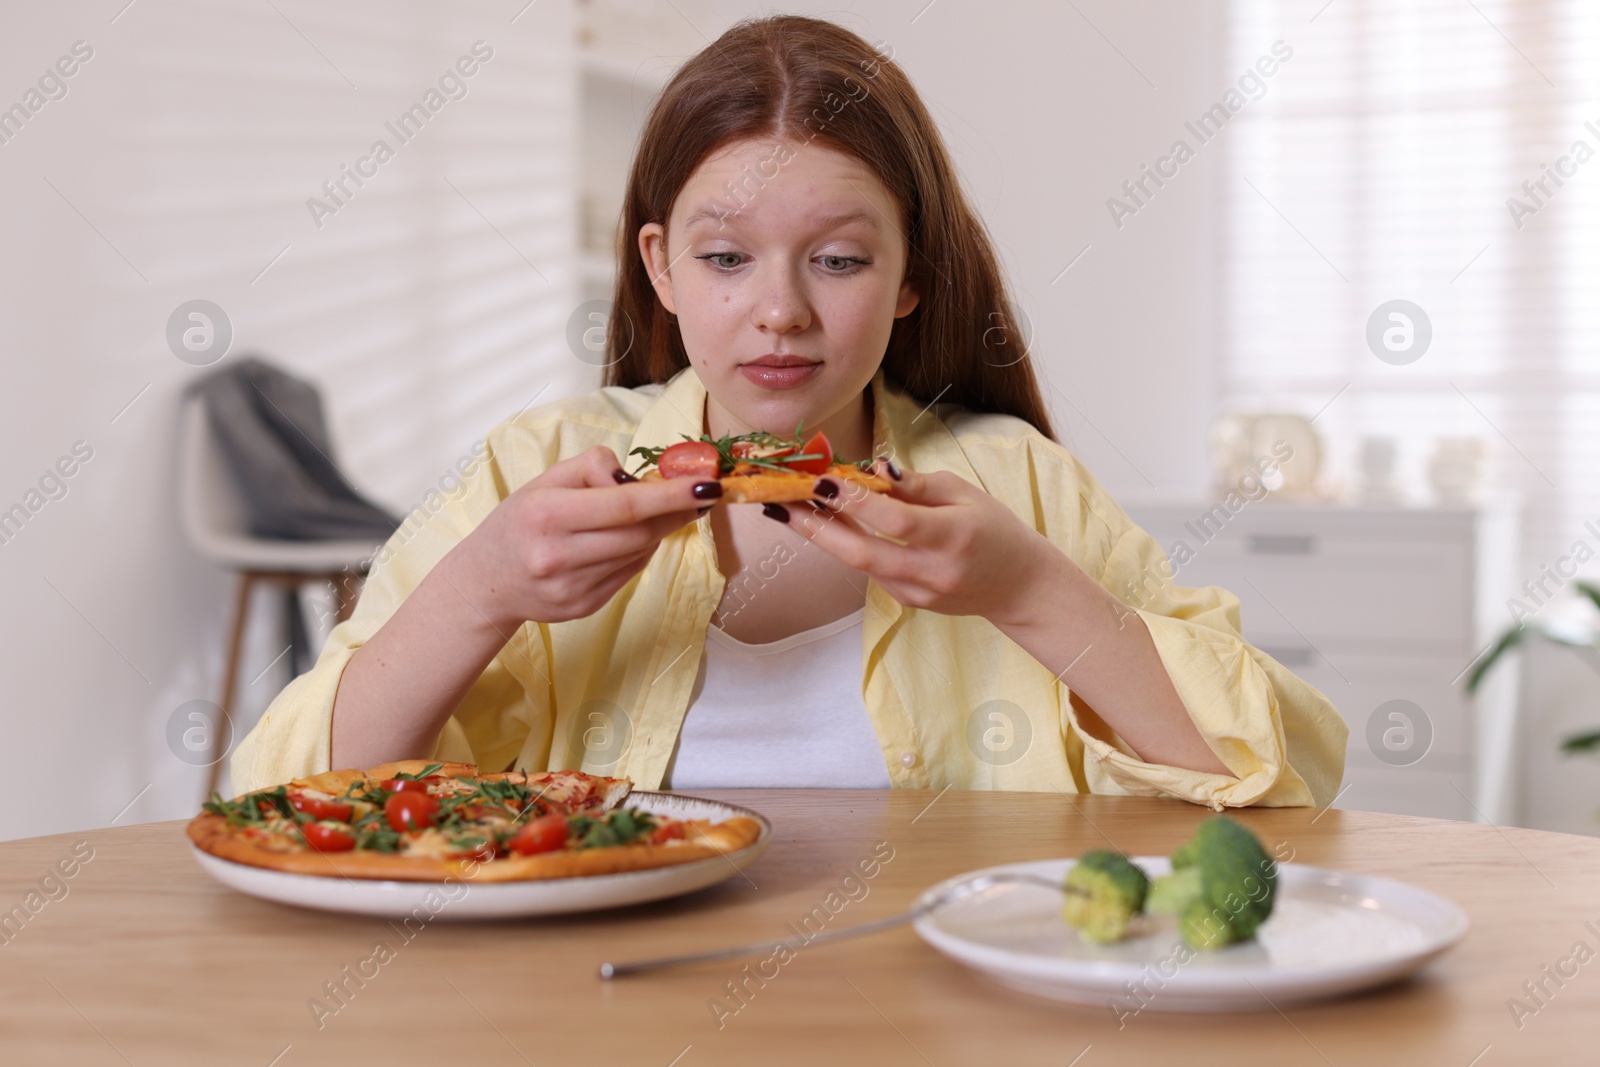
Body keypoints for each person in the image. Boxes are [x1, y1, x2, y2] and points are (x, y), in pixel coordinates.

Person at [231, 15, 1346, 807]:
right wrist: (479, 591)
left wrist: (1026, 588)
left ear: (910, 276)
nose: (780, 311)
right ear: (660, 268)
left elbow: (1285, 768)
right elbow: (287, 797)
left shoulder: (1017, 485)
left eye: (840, 259)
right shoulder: (536, 468)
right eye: (725, 256)